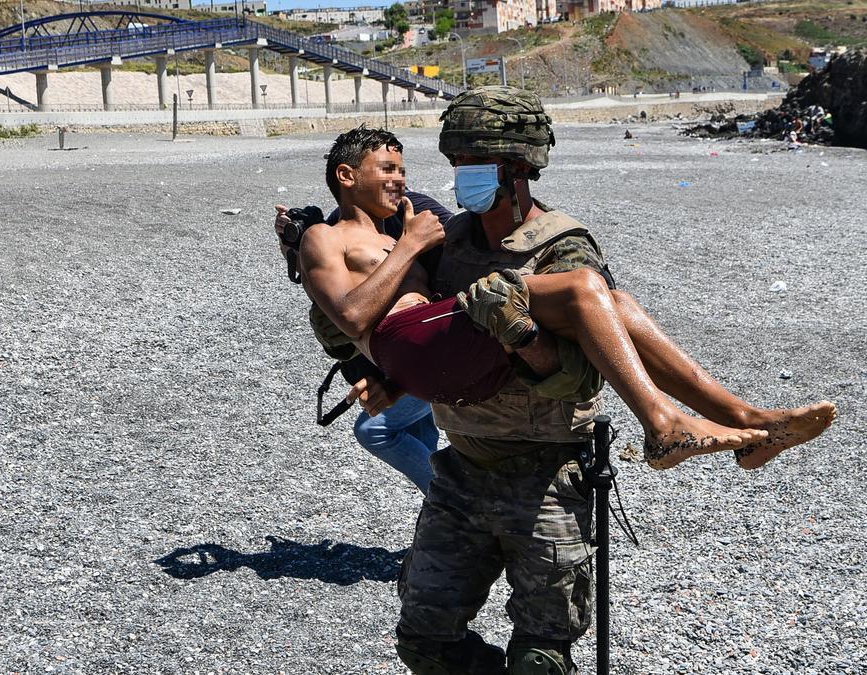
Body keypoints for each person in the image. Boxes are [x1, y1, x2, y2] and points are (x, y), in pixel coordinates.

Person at [296, 88, 834, 673]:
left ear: (519, 168)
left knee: (540, 659)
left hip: (545, 473)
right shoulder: (449, 242)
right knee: (426, 642)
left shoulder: (560, 245)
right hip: (465, 466)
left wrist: (521, 336)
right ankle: (724, 422)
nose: (461, 178)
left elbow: (582, 376)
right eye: (457, 165)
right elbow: (386, 317)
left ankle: (722, 422)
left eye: (477, 166)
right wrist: (385, 374)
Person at [300, 124, 832, 470]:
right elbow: (350, 316)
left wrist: (409, 244)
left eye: (402, 169)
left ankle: (747, 421)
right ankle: (662, 423)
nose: (400, 179)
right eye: (387, 170)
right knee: (581, 288)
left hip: (431, 346)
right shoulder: (325, 237)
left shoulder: (398, 231)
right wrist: (411, 246)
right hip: (408, 344)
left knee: (613, 303)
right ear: (347, 177)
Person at [274, 194, 454, 495]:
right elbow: (326, 291)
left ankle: (450, 498)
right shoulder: (337, 226)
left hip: (435, 353)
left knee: (374, 430)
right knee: (421, 437)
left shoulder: (420, 211)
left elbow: (463, 259)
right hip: (390, 363)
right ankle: (441, 527)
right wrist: (291, 245)